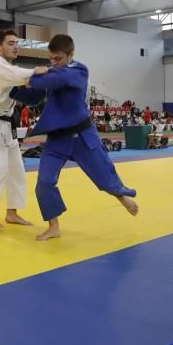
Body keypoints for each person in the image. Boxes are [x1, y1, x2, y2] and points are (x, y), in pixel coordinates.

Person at [11, 34, 138, 241]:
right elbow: (34, 96)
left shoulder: (79, 70)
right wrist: (14, 86)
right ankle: (53, 226)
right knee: (44, 182)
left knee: (104, 175)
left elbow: (58, 78)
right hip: (57, 140)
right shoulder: (53, 73)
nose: (54, 63)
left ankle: (122, 197)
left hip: (82, 136)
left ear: (71, 55)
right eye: (51, 58)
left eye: (58, 59)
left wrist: (33, 76)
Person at [0, 29, 47, 230]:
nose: (16, 46)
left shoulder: (9, 70)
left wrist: (41, 83)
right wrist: (38, 71)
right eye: (11, 43)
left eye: (17, 43)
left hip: (7, 124)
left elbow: (26, 91)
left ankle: (12, 212)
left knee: (17, 170)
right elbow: (19, 75)